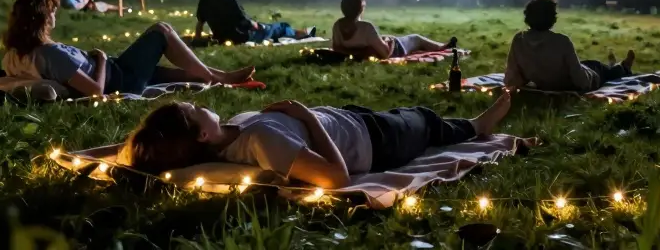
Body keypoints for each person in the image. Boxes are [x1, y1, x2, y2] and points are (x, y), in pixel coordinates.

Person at [122, 92, 512, 187]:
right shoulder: (261, 141)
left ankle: (467, 124)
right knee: (424, 120)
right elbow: (337, 179)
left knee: (395, 113)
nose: (197, 103)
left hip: (351, 119)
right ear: (203, 133)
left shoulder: (239, 128)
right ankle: (477, 127)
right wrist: (307, 114)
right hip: (375, 143)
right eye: (193, 110)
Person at [1, 0, 254, 97]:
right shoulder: (50, 54)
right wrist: (99, 58)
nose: (55, 15)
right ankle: (219, 77)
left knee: (183, 76)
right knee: (161, 30)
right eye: (51, 12)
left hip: (118, 69)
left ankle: (220, 77)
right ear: (42, 19)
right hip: (122, 79)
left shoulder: (19, 53)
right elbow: (95, 92)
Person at [504, 0, 636, 92]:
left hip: (544, 83)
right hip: (570, 84)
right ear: (552, 19)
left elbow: (511, 77)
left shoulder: (519, 40)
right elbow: (580, 80)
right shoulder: (561, 41)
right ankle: (623, 68)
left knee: (590, 64)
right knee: (598, 68)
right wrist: (589, 83)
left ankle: (613, 66)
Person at [331, 0, 456, 59]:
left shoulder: (337, 25)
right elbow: (385, 53)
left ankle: (442, 46)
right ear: (361, 7)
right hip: (396, 49)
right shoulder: (366, 27)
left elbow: (337, 48)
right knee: (415, 38)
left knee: (388, 36)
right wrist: (389, 42)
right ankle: (443, 47)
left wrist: (357, 52)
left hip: (367, 50)